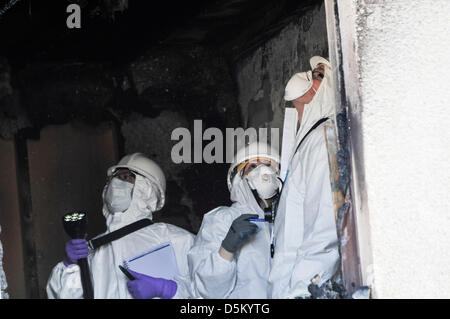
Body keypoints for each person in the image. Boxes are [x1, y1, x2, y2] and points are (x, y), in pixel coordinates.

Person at [46, 153, 195, 299]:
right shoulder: (93, 251)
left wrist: (169, 290)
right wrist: (70, 266)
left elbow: (210, 292)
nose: (115, 183)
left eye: (125, 177)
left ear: (147, 189)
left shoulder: (177, 240)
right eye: (112, 179)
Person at [268, 56, 340, 298]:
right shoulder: (306, 142)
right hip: (285, 287)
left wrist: (303, 290)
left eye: (319, 75)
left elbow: (325, 225)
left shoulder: (324, 137)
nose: (308, 78)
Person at [188, 141, 281, 298]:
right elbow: (205, 293)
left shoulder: (286, 220)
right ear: (238, 178)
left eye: (268, 165)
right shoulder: (222, 219)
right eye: (252, 166)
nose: (262, 170)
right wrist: (227, 249)